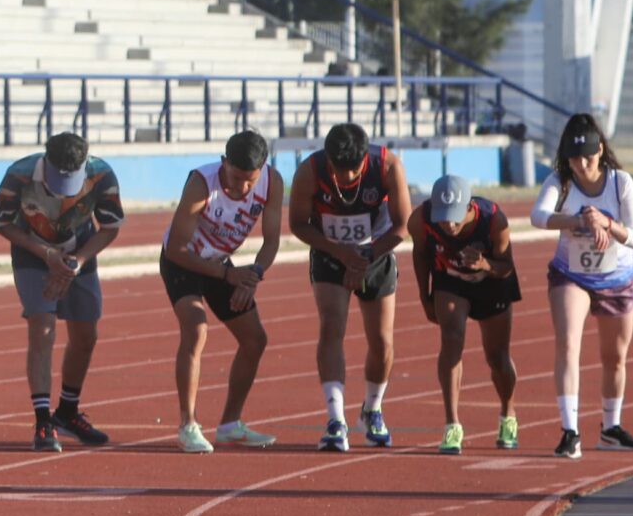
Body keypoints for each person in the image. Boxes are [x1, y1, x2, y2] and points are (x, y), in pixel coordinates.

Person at [0, 130, 124, 452]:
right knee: (42, 327)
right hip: (32, 252)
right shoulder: (19, 174)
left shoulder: (102, 175)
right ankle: (43, 420)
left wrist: (77, 261)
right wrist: (46, 254)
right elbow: (1, 222)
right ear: (45, 162)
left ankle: (68, 411)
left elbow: (110, 228)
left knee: (86, 334)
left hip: (80, 252)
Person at [159, 130, 285, 454]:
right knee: (196, 330)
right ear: (223, 163)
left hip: (221, 264)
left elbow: (271, 241)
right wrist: (228, 275)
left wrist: (252, 277)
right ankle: (188, 425)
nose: (242, 188)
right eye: (236, 177)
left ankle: (230, 425)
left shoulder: (272, 182)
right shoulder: (202, 184)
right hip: (184, 262)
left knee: (255, 339)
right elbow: (176, 249)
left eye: (250, 181)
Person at [289, 123, 412, 452]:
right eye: (338, 171)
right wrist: (341, 252)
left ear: (365, 160)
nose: (344, 179)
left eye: (352, 172)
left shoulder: (388, 166)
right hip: (330, 251)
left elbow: (402, 227)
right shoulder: (310, 170)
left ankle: (372, 409)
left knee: (382, 341)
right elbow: (298, 223)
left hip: (378, 251)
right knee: (331, 327)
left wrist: (365, 258)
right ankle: (335, 418)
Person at [534, 114, 633, 459]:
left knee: (615, 358)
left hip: (617, 279)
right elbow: (538, 216)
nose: (581, 165)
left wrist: (607, 224)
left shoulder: (620, 183)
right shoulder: (561, 182)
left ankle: (610, 428)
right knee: (568, 344)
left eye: (588, 158)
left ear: (601, 153)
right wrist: (578, 220)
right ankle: (570, 431)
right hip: (572, 276)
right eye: (574, 158)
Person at [409, 173, 521, 455]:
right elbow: (420, 254)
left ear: (469, 206)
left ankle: (508, 413)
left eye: (455, 218)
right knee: (451, 338)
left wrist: (484, 263)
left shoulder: (494, 220)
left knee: (497, 357)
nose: (448, 224)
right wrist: (425, 296)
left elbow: (506, 266)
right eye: (443, 217)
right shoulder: (420, 220)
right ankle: (452, 424)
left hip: (492, 281)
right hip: (450, 280)